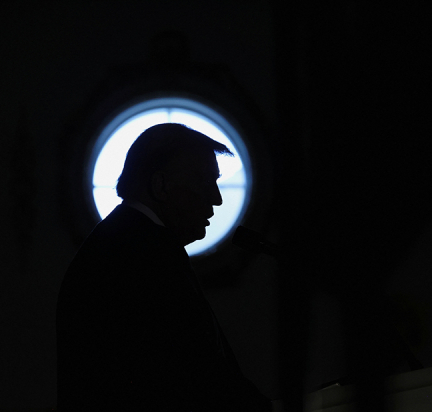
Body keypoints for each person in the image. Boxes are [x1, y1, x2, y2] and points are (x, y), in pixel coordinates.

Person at [56, 123, 272, 411]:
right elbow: (188, 370)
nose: (217, 199)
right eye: (205, 182)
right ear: (160, 186)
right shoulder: (141, 255)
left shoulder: (125, 243)